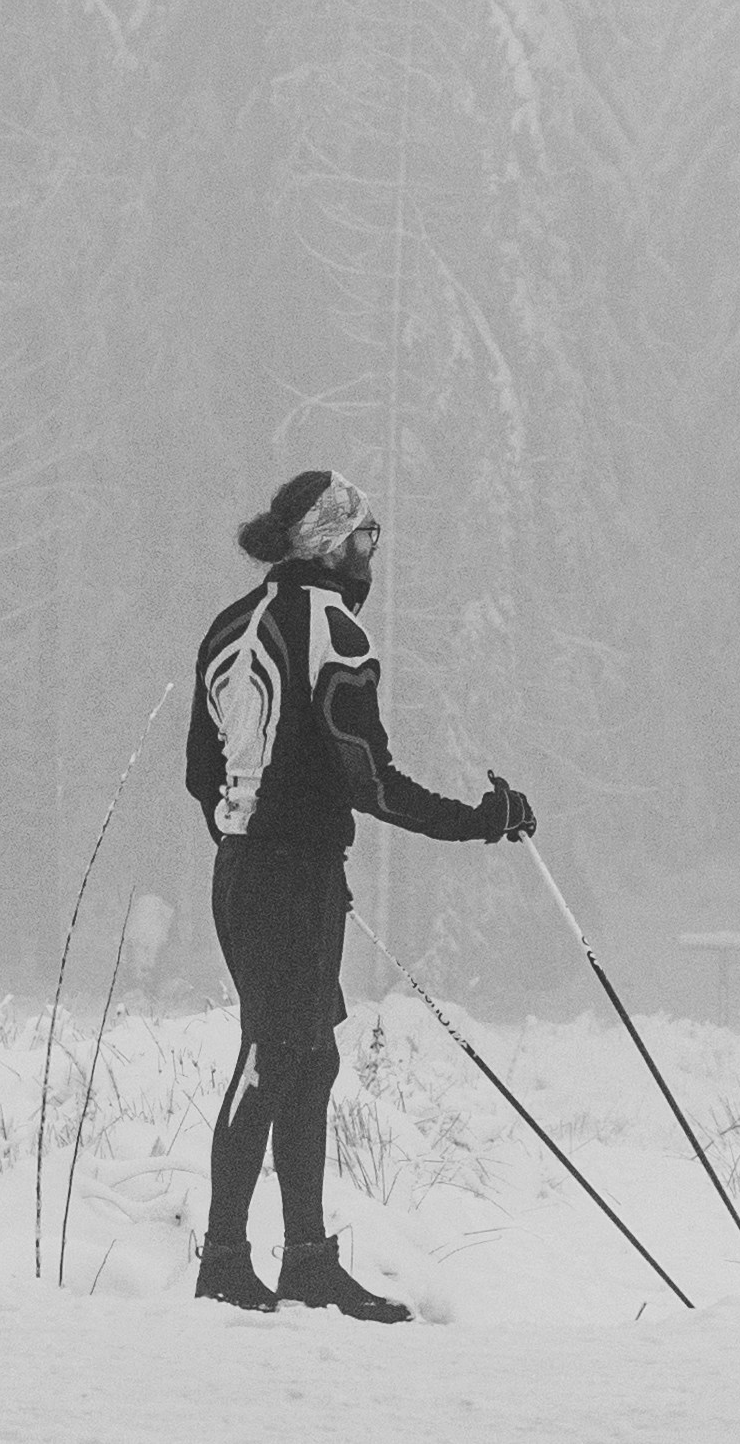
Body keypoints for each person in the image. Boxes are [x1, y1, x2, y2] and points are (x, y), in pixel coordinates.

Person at [181, 463, 529, 1317]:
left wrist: (253, 839)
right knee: (272, 1055)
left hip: (246, 871)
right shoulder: (331, 629)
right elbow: (370, 779)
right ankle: (224, 1261)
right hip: (288, 876)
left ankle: (305, 1259)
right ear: (334, 545)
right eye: (366, 539)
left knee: (307, 1054)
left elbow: (200, 773)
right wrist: (482, 819)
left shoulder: (229, 624)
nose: (372, 558)